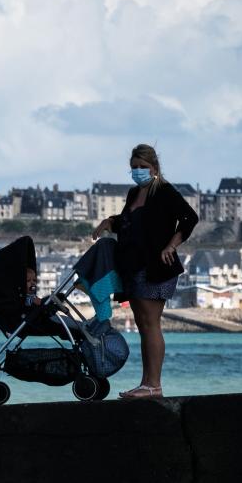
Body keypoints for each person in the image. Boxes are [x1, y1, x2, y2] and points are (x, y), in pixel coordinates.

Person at [92, 144, 198, 398]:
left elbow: (189, 218)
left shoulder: (163, 192)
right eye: (134, 167)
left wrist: (172, 245)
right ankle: (146, 383)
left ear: (155, 169)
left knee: (151, 324)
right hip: (133, 267)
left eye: (143, 167)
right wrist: (110, 222)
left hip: (157, 268)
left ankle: (153, 385)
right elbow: (129, 223)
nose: (138, 171)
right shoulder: (133, 193)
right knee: (143, 325)